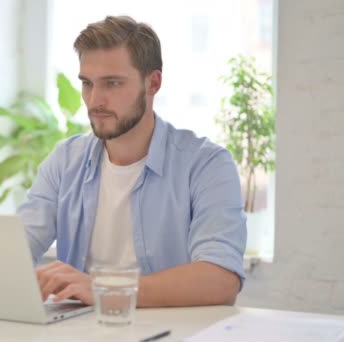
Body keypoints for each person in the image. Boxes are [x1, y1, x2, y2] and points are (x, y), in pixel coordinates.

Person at [17, 16, 246, 307]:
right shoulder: (64, 162)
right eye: (87, 83)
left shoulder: (206, 165)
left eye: (112, 83)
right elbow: (15, 253)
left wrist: (105, 290)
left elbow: (221, 280)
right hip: (80, 332)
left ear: (153, 83)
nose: (95, 100)